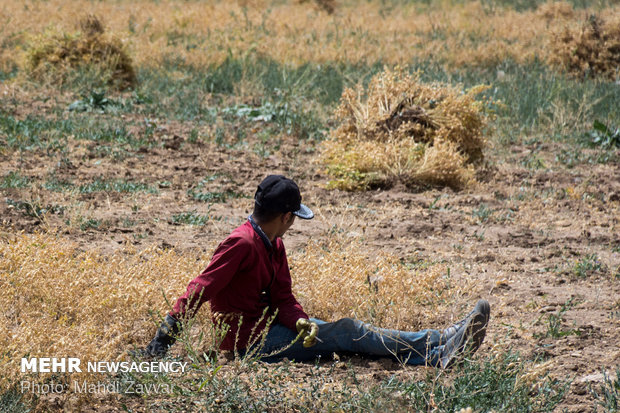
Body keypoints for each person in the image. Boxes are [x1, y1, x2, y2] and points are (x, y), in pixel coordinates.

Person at [140, 175, 490, 368]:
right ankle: (439, 341)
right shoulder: (243, 244)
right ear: (286, 217)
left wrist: (301, 321)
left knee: (347, 339)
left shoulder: (272, 243)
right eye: (295, 218)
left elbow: (283, 297)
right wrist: (163, 339)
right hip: (250, 343)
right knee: (350, 332)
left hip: (272, 329)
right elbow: (199, 288)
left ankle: (440, 349)